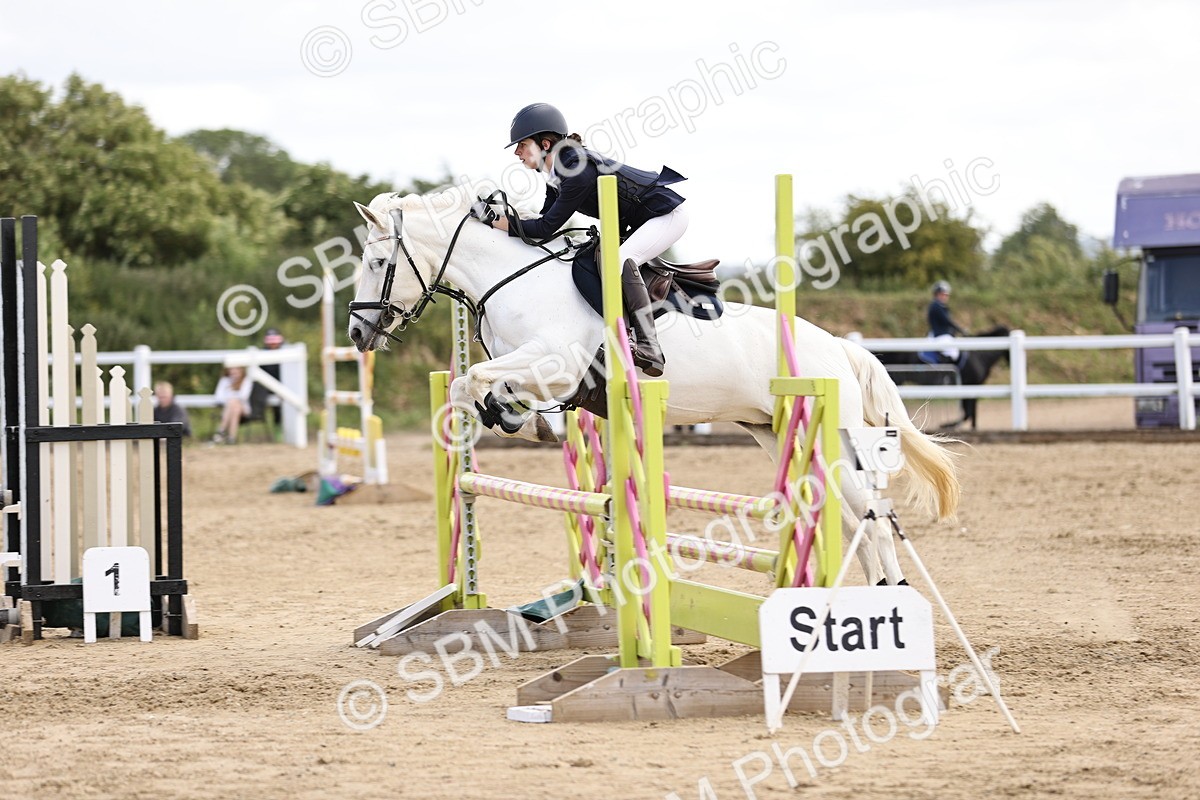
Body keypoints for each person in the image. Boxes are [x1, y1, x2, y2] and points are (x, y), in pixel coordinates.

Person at [484, 102, 689, 376]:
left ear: (545, 143)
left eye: (522, 145)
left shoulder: (576, 170)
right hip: (640, 220)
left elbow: (544, 228)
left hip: (665, 215)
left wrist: (496, 222)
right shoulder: (557, 174)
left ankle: (648, 344)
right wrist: (501, 218)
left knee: (622, 260)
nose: (518, 153)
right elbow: (544, 225)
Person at [926, 280, 966, 364]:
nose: (945, 297)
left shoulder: (941, 306)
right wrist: (961, 330)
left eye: (946, 295)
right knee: (953, 353)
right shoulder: (936, 306)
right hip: (940, 336)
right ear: (937, 294)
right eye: (942, 294)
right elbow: (947, 321)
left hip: (942, 334)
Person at [212, 366, 253, 444]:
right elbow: (218, 397)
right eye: (232, 369)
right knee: (234, 408)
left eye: (237, 369)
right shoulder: (224, 380)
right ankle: (231, 438)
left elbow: (244, 396)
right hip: (231, 409)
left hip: (243, 409)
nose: (234, 371)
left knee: (233, 403)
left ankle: (221, 431)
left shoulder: (246, 380)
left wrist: (232, 390)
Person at [261, 328, 285, 427]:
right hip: (265, 387)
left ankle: (278, 427)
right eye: (271, 342)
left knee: (280, 407)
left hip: (281, 386)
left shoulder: (285, 352)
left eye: (274, 342)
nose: (273, 345)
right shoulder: (261, 354)